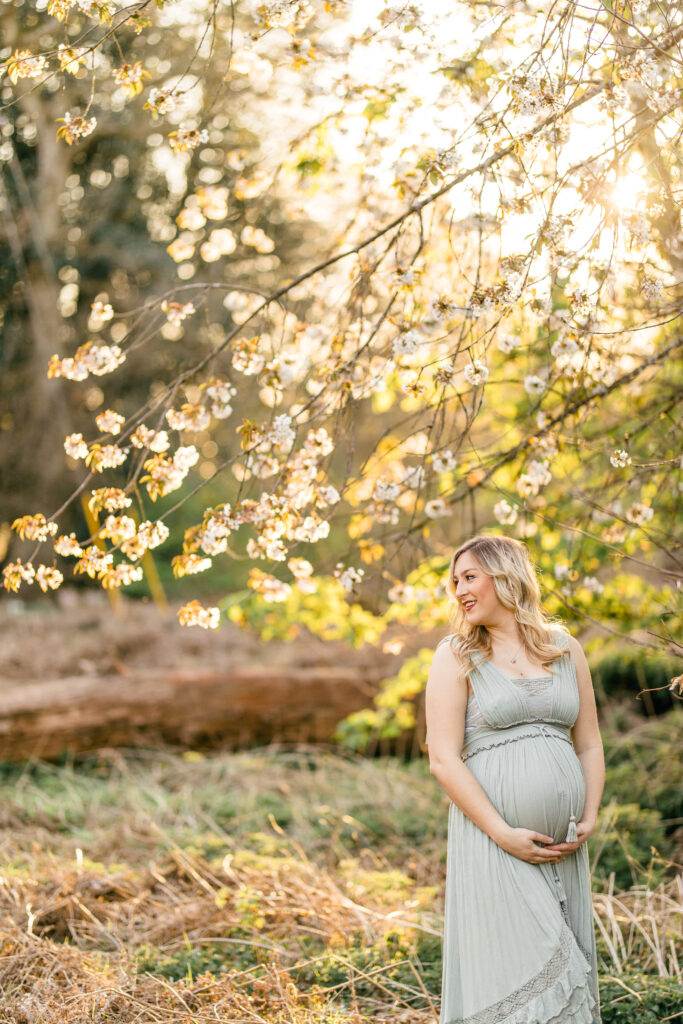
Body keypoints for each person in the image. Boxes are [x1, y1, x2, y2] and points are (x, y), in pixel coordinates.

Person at [425, 533, 605, 1024]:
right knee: (517, 975)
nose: (459, 590)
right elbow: (442, 758)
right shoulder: (456, 655)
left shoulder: (565, 649)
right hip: (494, 841)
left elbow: (588, 741)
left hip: (564, 845)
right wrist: (504, 834)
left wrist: (588, 815)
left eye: (469, 577)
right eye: (454, 581)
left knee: (564, 984)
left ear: (506, 576)